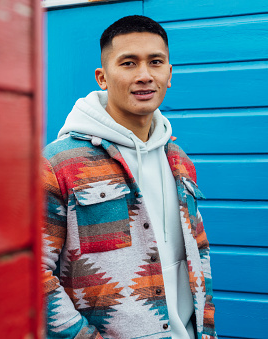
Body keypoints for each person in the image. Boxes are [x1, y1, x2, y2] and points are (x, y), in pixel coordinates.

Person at [42, 15, 217, 339]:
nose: (144, 75)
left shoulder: (180, 161)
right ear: (103, 77)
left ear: (169, 74)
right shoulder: (58, 164)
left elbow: (199, 254)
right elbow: (30, 275)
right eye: (128, 63)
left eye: (155, 62)